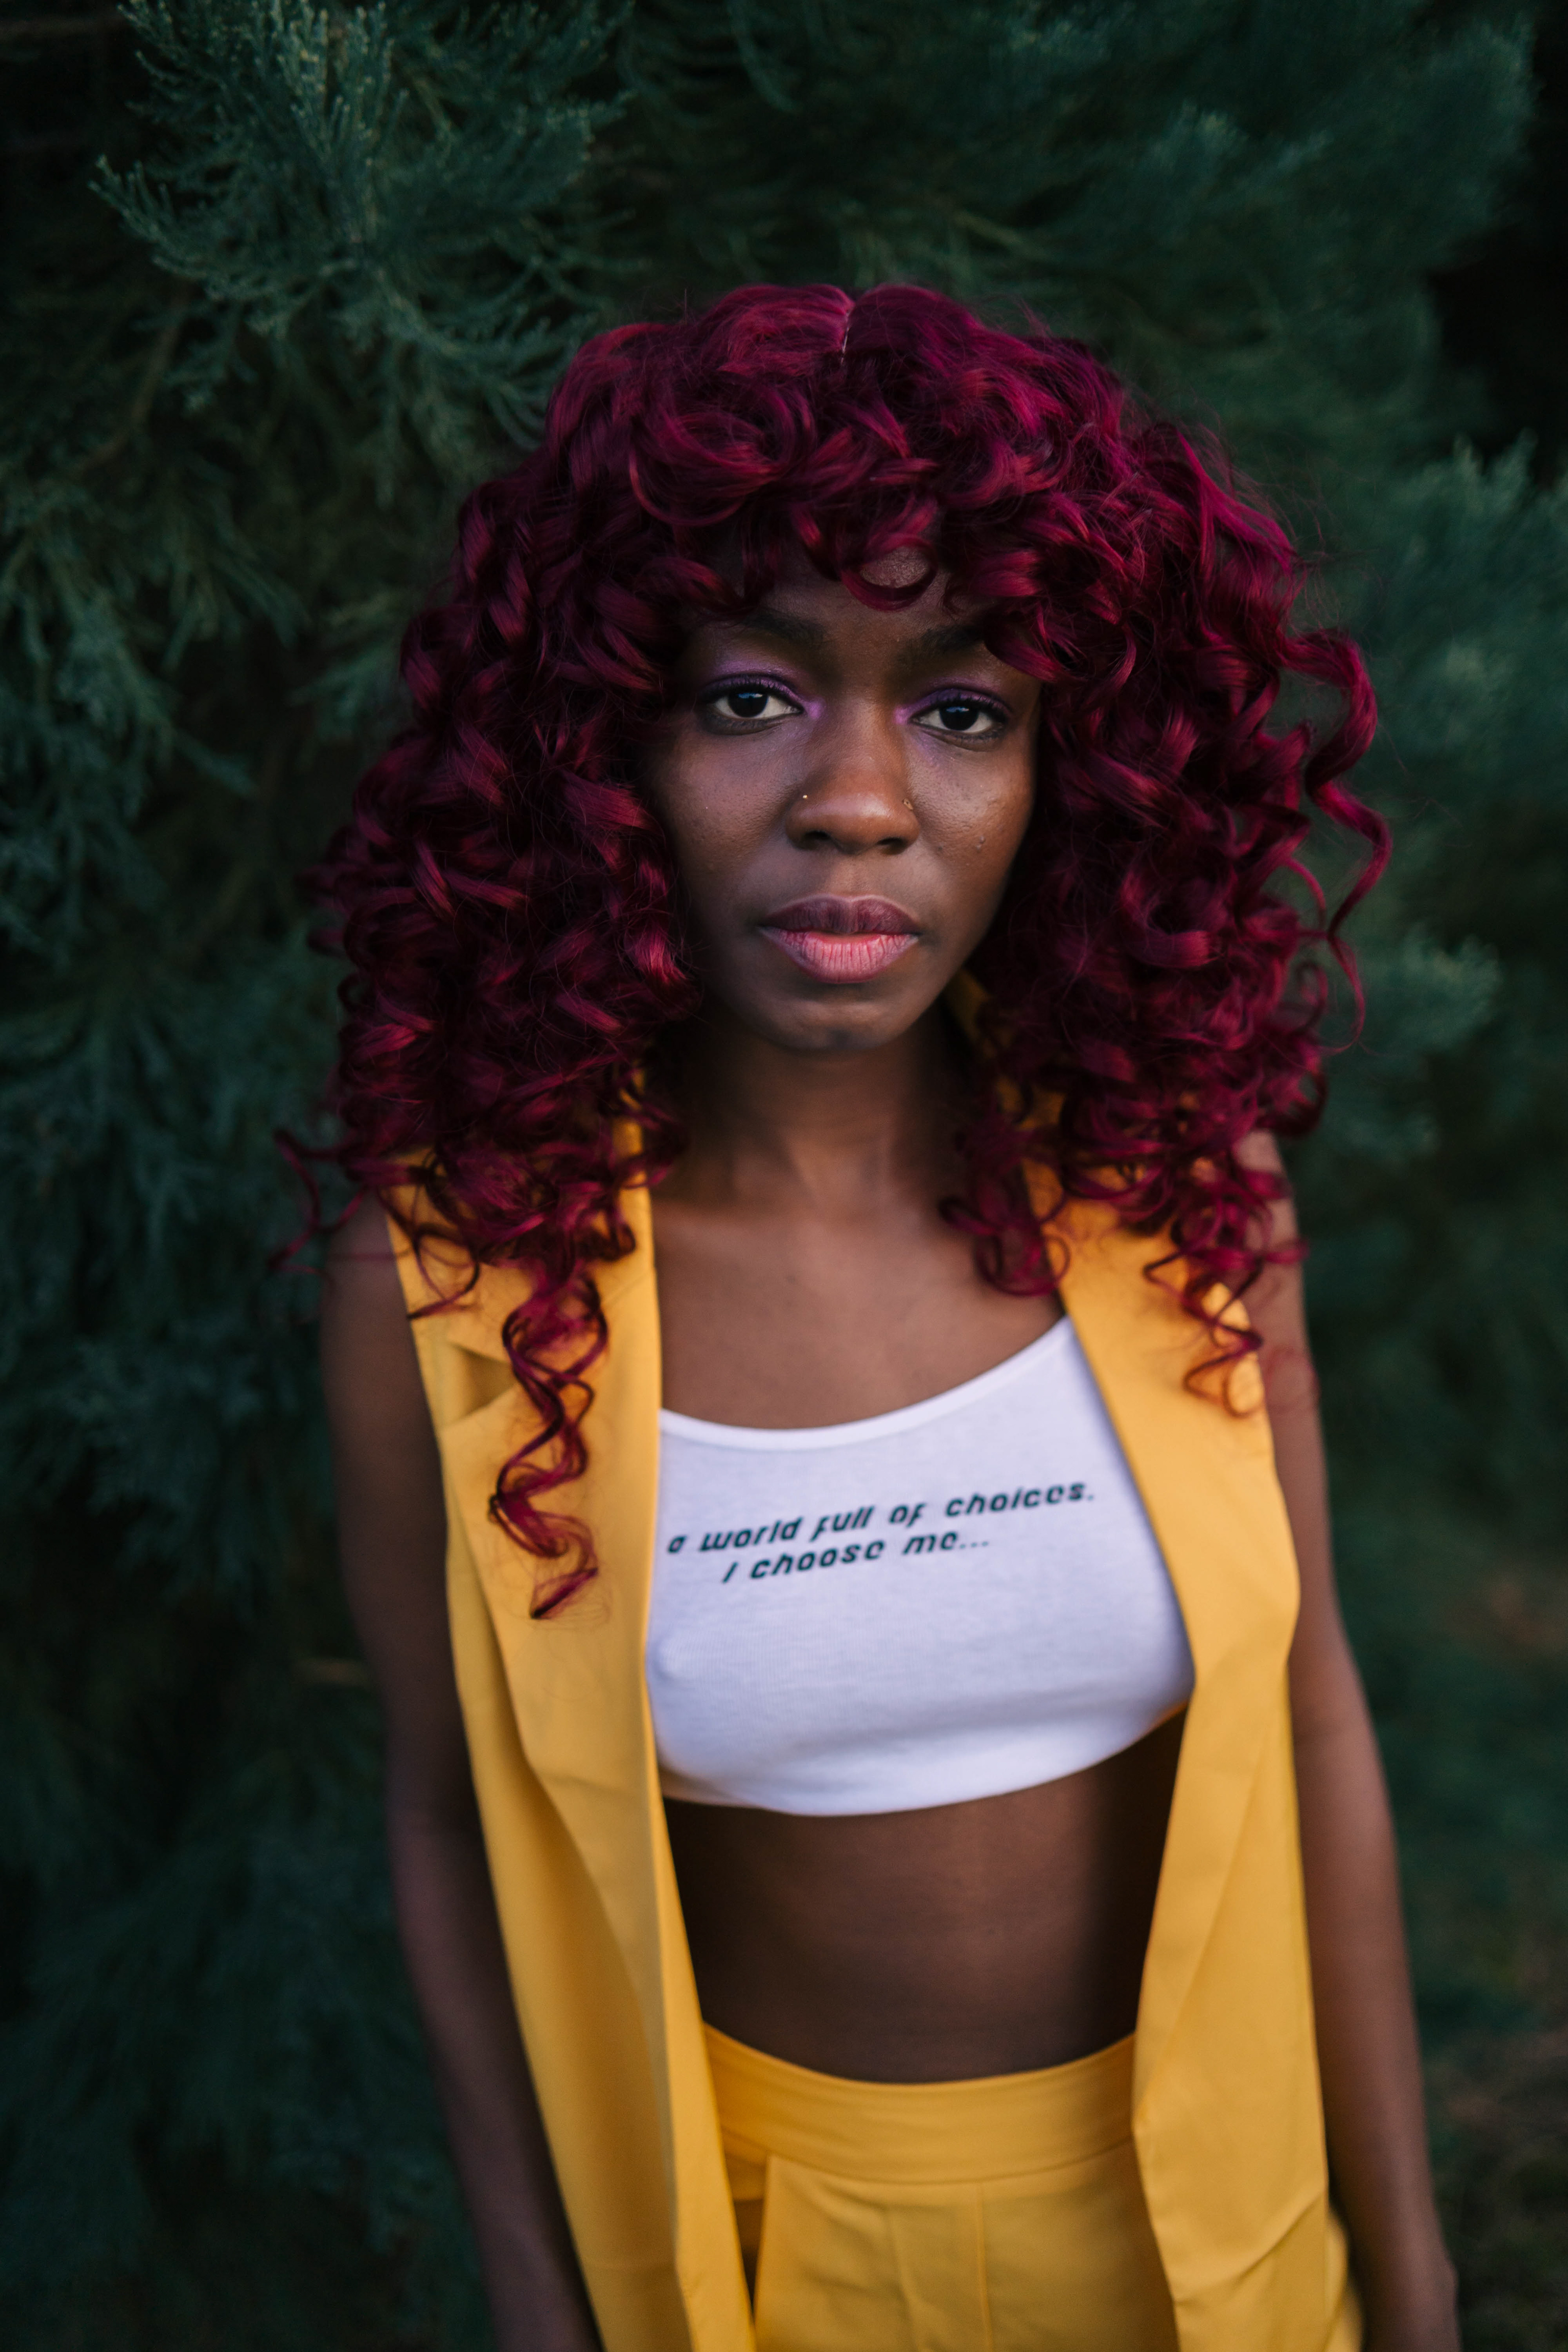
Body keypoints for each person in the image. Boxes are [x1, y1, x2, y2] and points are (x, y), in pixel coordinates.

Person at [316, 284, 1459, 2352]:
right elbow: (445, 1817)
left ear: (1071, 775)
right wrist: (546, 2313)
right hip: (763, 2261)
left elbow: (1316, 1717)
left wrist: (1420, 2282)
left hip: (1225, 2231)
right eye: (753, 697)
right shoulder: (465, 1280)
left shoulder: (1182, 1186)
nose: (858, 798)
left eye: (964, 711)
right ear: (604, 752)